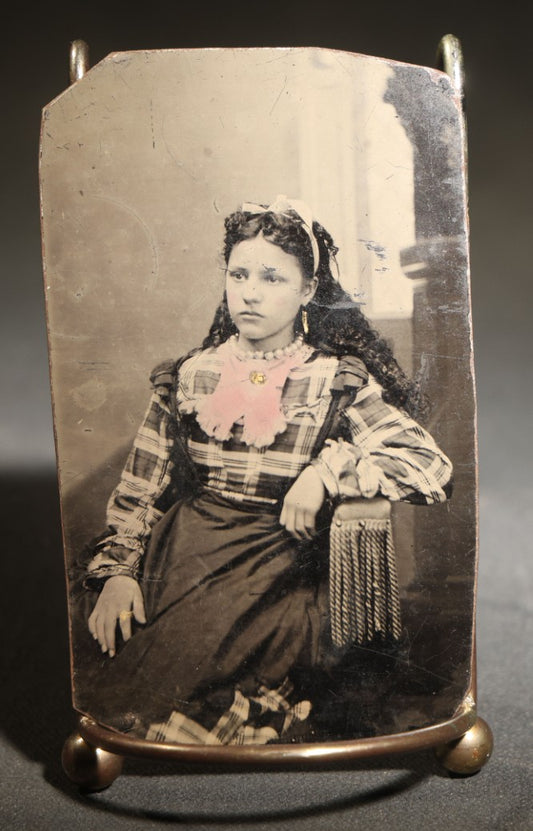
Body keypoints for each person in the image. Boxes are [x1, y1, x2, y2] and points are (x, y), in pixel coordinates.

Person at [78, 195, 453, 745]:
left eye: (273, 278)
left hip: (280, 570)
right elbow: (140, 488)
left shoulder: (334, 380)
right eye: (239, 274)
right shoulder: (189, 375)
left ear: (307, 291)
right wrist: (116, 574)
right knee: (127, 683)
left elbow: (430, 466)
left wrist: (329, 471)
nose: (249, 292)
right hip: (183, 554)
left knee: (202, 686)